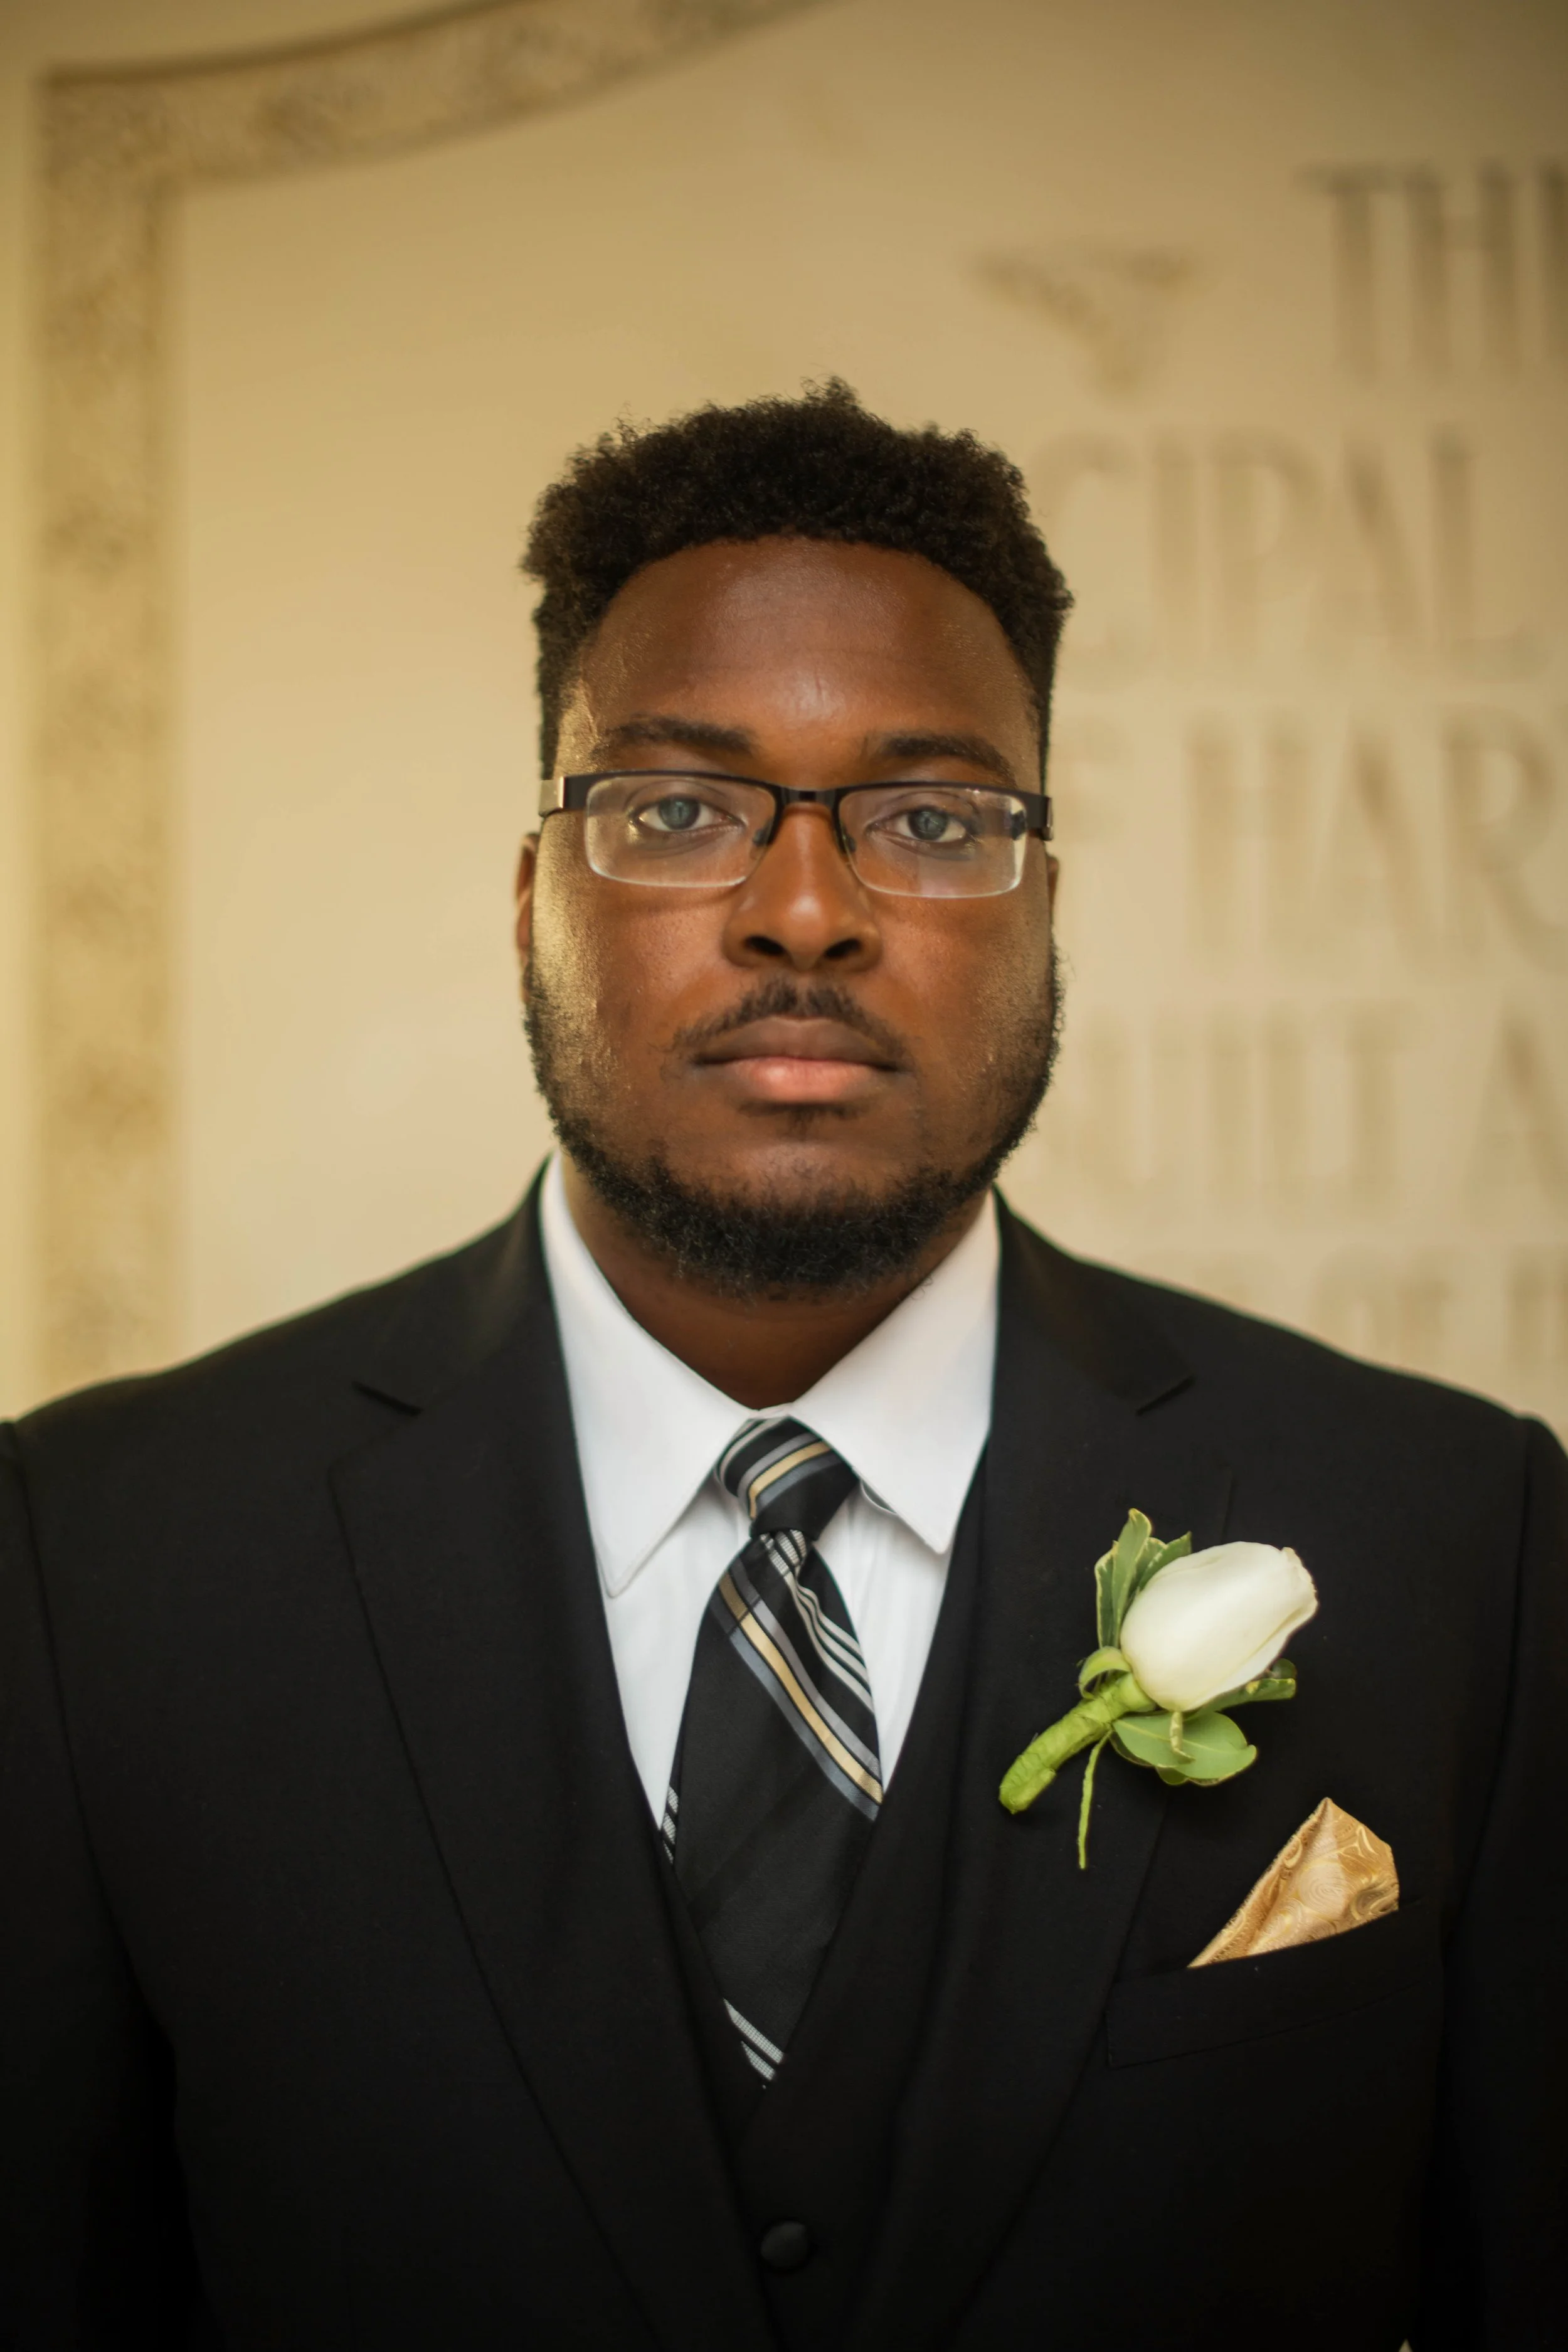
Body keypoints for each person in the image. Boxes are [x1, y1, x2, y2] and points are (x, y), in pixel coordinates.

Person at [1, 384, 1560, 2352]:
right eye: (672, 807)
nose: (805, 910)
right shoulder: (92, 1563)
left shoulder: (1460, 1542)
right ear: (530, 900)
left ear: (1045, 911)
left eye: (928, 817)